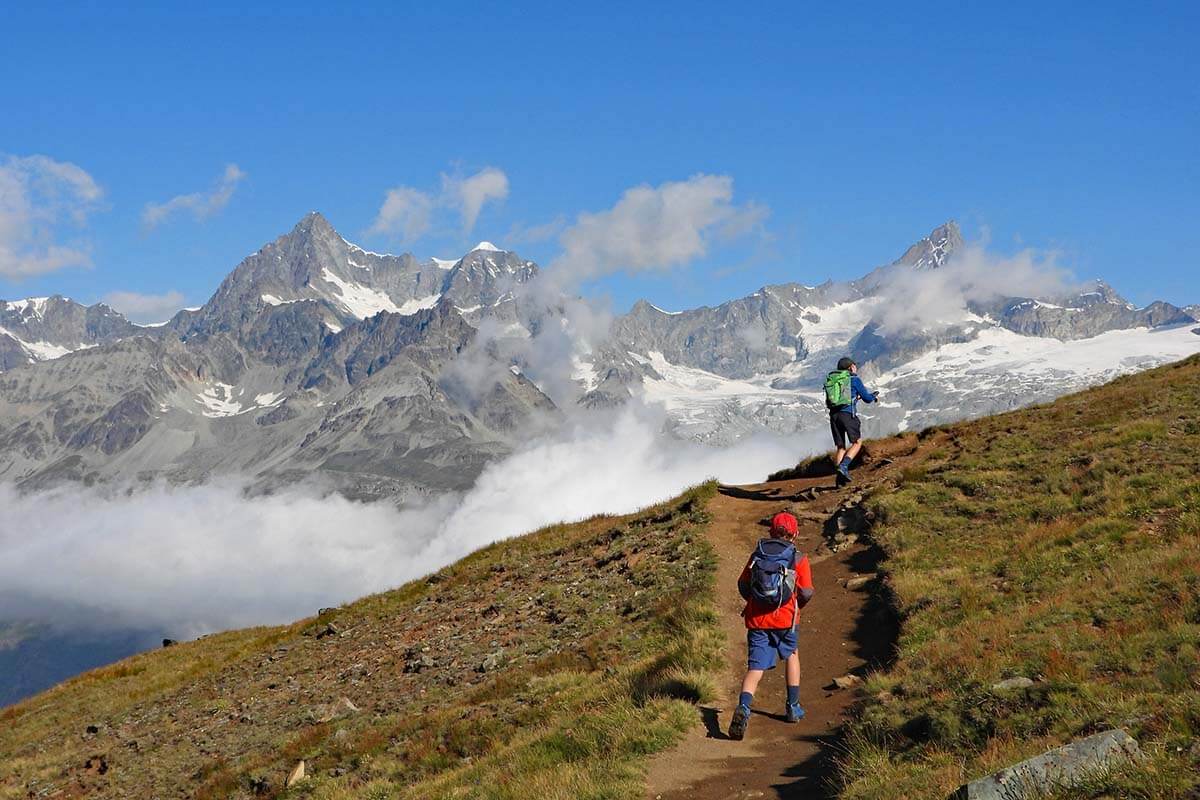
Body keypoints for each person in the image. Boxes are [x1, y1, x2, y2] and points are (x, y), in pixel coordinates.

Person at [728, 511, 814, 741]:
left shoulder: (758, 553)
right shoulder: (798, 558)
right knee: (792, 656)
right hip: (786, 619)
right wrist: (795, 606)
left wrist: (755, 602)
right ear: (794, 534)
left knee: (755, 669)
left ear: (771, 531)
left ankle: (744, 707)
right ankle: (793, 707)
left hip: (757, 620)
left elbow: (743, 584)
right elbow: (806, 591)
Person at [825, 356, 879, 486]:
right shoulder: (854, 379)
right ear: (850, 367)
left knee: (841, 447)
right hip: (848, 415)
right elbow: (867, 398)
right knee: (856, 443)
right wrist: (873, 396)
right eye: (855, 365)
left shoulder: (835, 380)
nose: (856, 368)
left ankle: (839, 481)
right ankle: (843, 467)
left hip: (834, 416)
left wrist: (856, 397)